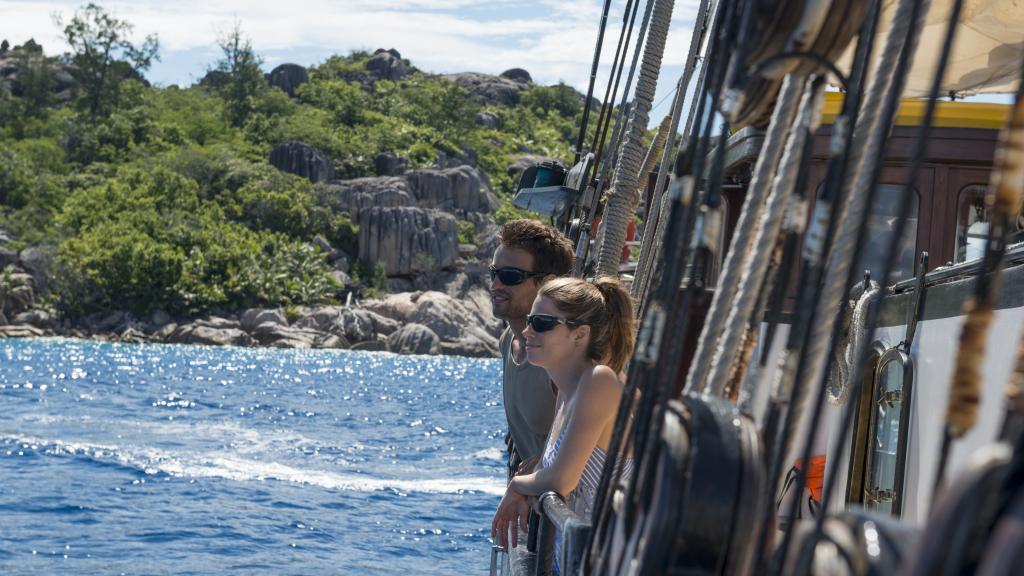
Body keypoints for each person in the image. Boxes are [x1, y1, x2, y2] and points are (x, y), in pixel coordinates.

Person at [491, 276, 636, 574]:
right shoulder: (567, 390)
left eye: (543, 323)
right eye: (530, 319)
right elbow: (551, 472)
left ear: (580, 335)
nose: (528, 330)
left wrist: (516, 485)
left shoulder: (601, 381)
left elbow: (561, 480)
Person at [489, 219, 575, 572]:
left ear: (547, 283)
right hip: (538, 520)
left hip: (569, 532)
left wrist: (534, 472)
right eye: (493, 273)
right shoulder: (509, 342)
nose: (495, 284)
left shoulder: (562, 355)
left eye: (510, 276)